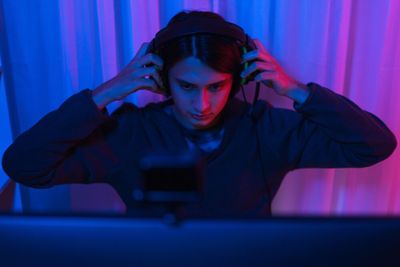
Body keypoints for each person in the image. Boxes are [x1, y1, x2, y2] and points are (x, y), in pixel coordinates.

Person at [2, 11, 397, 217]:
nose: (202, 104)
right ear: (160, 81)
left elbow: (374, 145)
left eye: (217, 87)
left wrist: (294, 89)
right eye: (187, 87)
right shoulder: (130, 132)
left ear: (239, 78)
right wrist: (108, 92)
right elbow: (25, 165)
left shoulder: (268, 129)